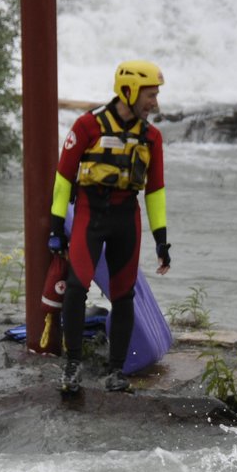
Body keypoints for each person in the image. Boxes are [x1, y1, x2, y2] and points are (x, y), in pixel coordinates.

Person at [48, 60, 171, 397]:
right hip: (90, 213)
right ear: (129, 91)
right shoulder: (87, 126)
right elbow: (62, 179)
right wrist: (57, 227)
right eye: (150, 95)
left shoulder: (152, 137)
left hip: (125, 218)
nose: (155, 103)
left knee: (123, 294)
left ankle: (116, 371)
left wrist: (161, 239)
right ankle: (71, 366)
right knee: (76, 288)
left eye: (156, 95)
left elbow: (156, 190)